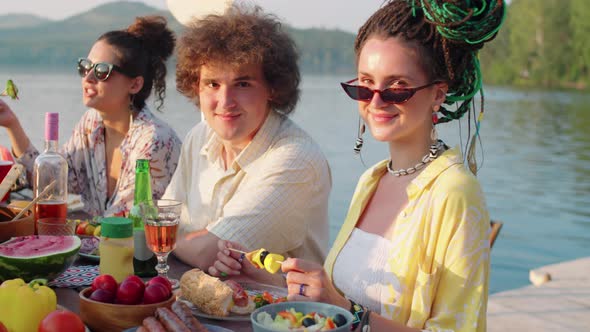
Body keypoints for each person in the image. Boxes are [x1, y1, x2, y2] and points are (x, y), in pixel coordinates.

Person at [211, 0, 506, 331]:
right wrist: (266, 279)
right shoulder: (373, 179)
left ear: (438, 94)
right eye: (365, 85)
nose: (376, 102)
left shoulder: (455, 192)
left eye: (397, 89)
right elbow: (341, 299)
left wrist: (342, 308)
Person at [164, 5, 331, 270]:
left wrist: (164, 240)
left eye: (243, 84)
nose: (225, 101)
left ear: (273, 88)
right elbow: (165, 218)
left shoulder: (295, 157)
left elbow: (211, 251)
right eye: (212, 84)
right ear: (196, 86)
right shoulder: (200, 136)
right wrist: (180, 239)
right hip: (200, 298)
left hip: (276, 309)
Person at [0, 16, 181, 217]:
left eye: (102, 71)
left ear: (135, 84)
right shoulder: (91, 123)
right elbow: (53, 182)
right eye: (85, 67)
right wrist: (11, 124)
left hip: (149, 246)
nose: (88, 78)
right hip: (103, 244)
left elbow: (127, 221)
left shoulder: (154, 141)